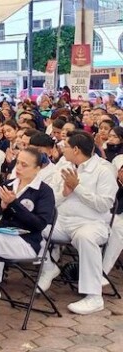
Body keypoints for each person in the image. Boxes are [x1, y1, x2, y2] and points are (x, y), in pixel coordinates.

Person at [0, 147, 55, 333]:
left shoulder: (43, 191)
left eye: (25, 165)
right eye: (18, 163)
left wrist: (14, 204)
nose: (19, 168)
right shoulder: (8, 184)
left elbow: (39, 224)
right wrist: (2, 204)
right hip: (1, 237)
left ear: (38, 168)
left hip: (27, 243)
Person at [37, 131, 117, 314]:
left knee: (85, 237)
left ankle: (94, 297)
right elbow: (52, 199)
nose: (61, 148)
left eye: (65, 146)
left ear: (76, 149)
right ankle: (49, 267)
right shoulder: (65, 165)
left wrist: (77, 187)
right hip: (63, 221)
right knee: (34, 225)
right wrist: (65, 193)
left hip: (92, 223)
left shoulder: (103, 169)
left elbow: (104, 204)